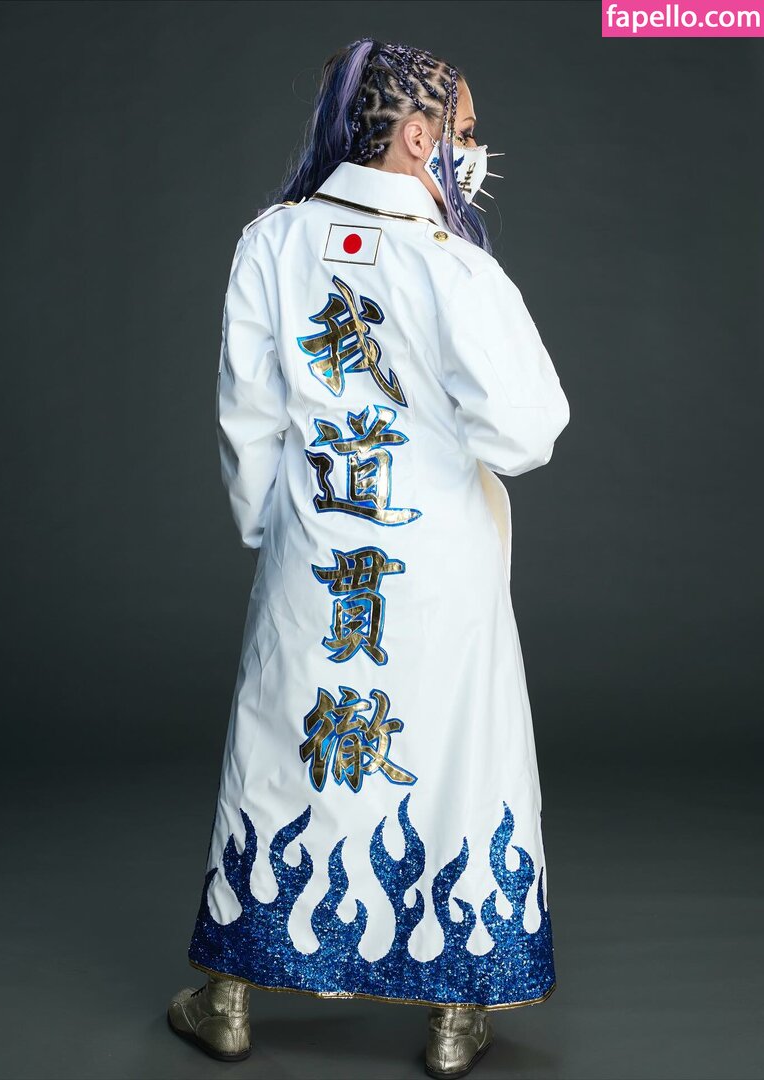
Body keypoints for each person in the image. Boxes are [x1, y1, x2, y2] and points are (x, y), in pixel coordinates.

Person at [167, 37, 571, 1079]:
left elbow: (247, 417)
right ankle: (453, 1014)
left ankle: (230, 996)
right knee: (456, 754)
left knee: (282, 747)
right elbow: (526, 432)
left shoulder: (272, 240)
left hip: (318, 557)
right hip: (436, 567)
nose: (475, 151)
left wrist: (274, 535)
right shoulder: (453, 263)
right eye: (466, 131)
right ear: (420, 137)